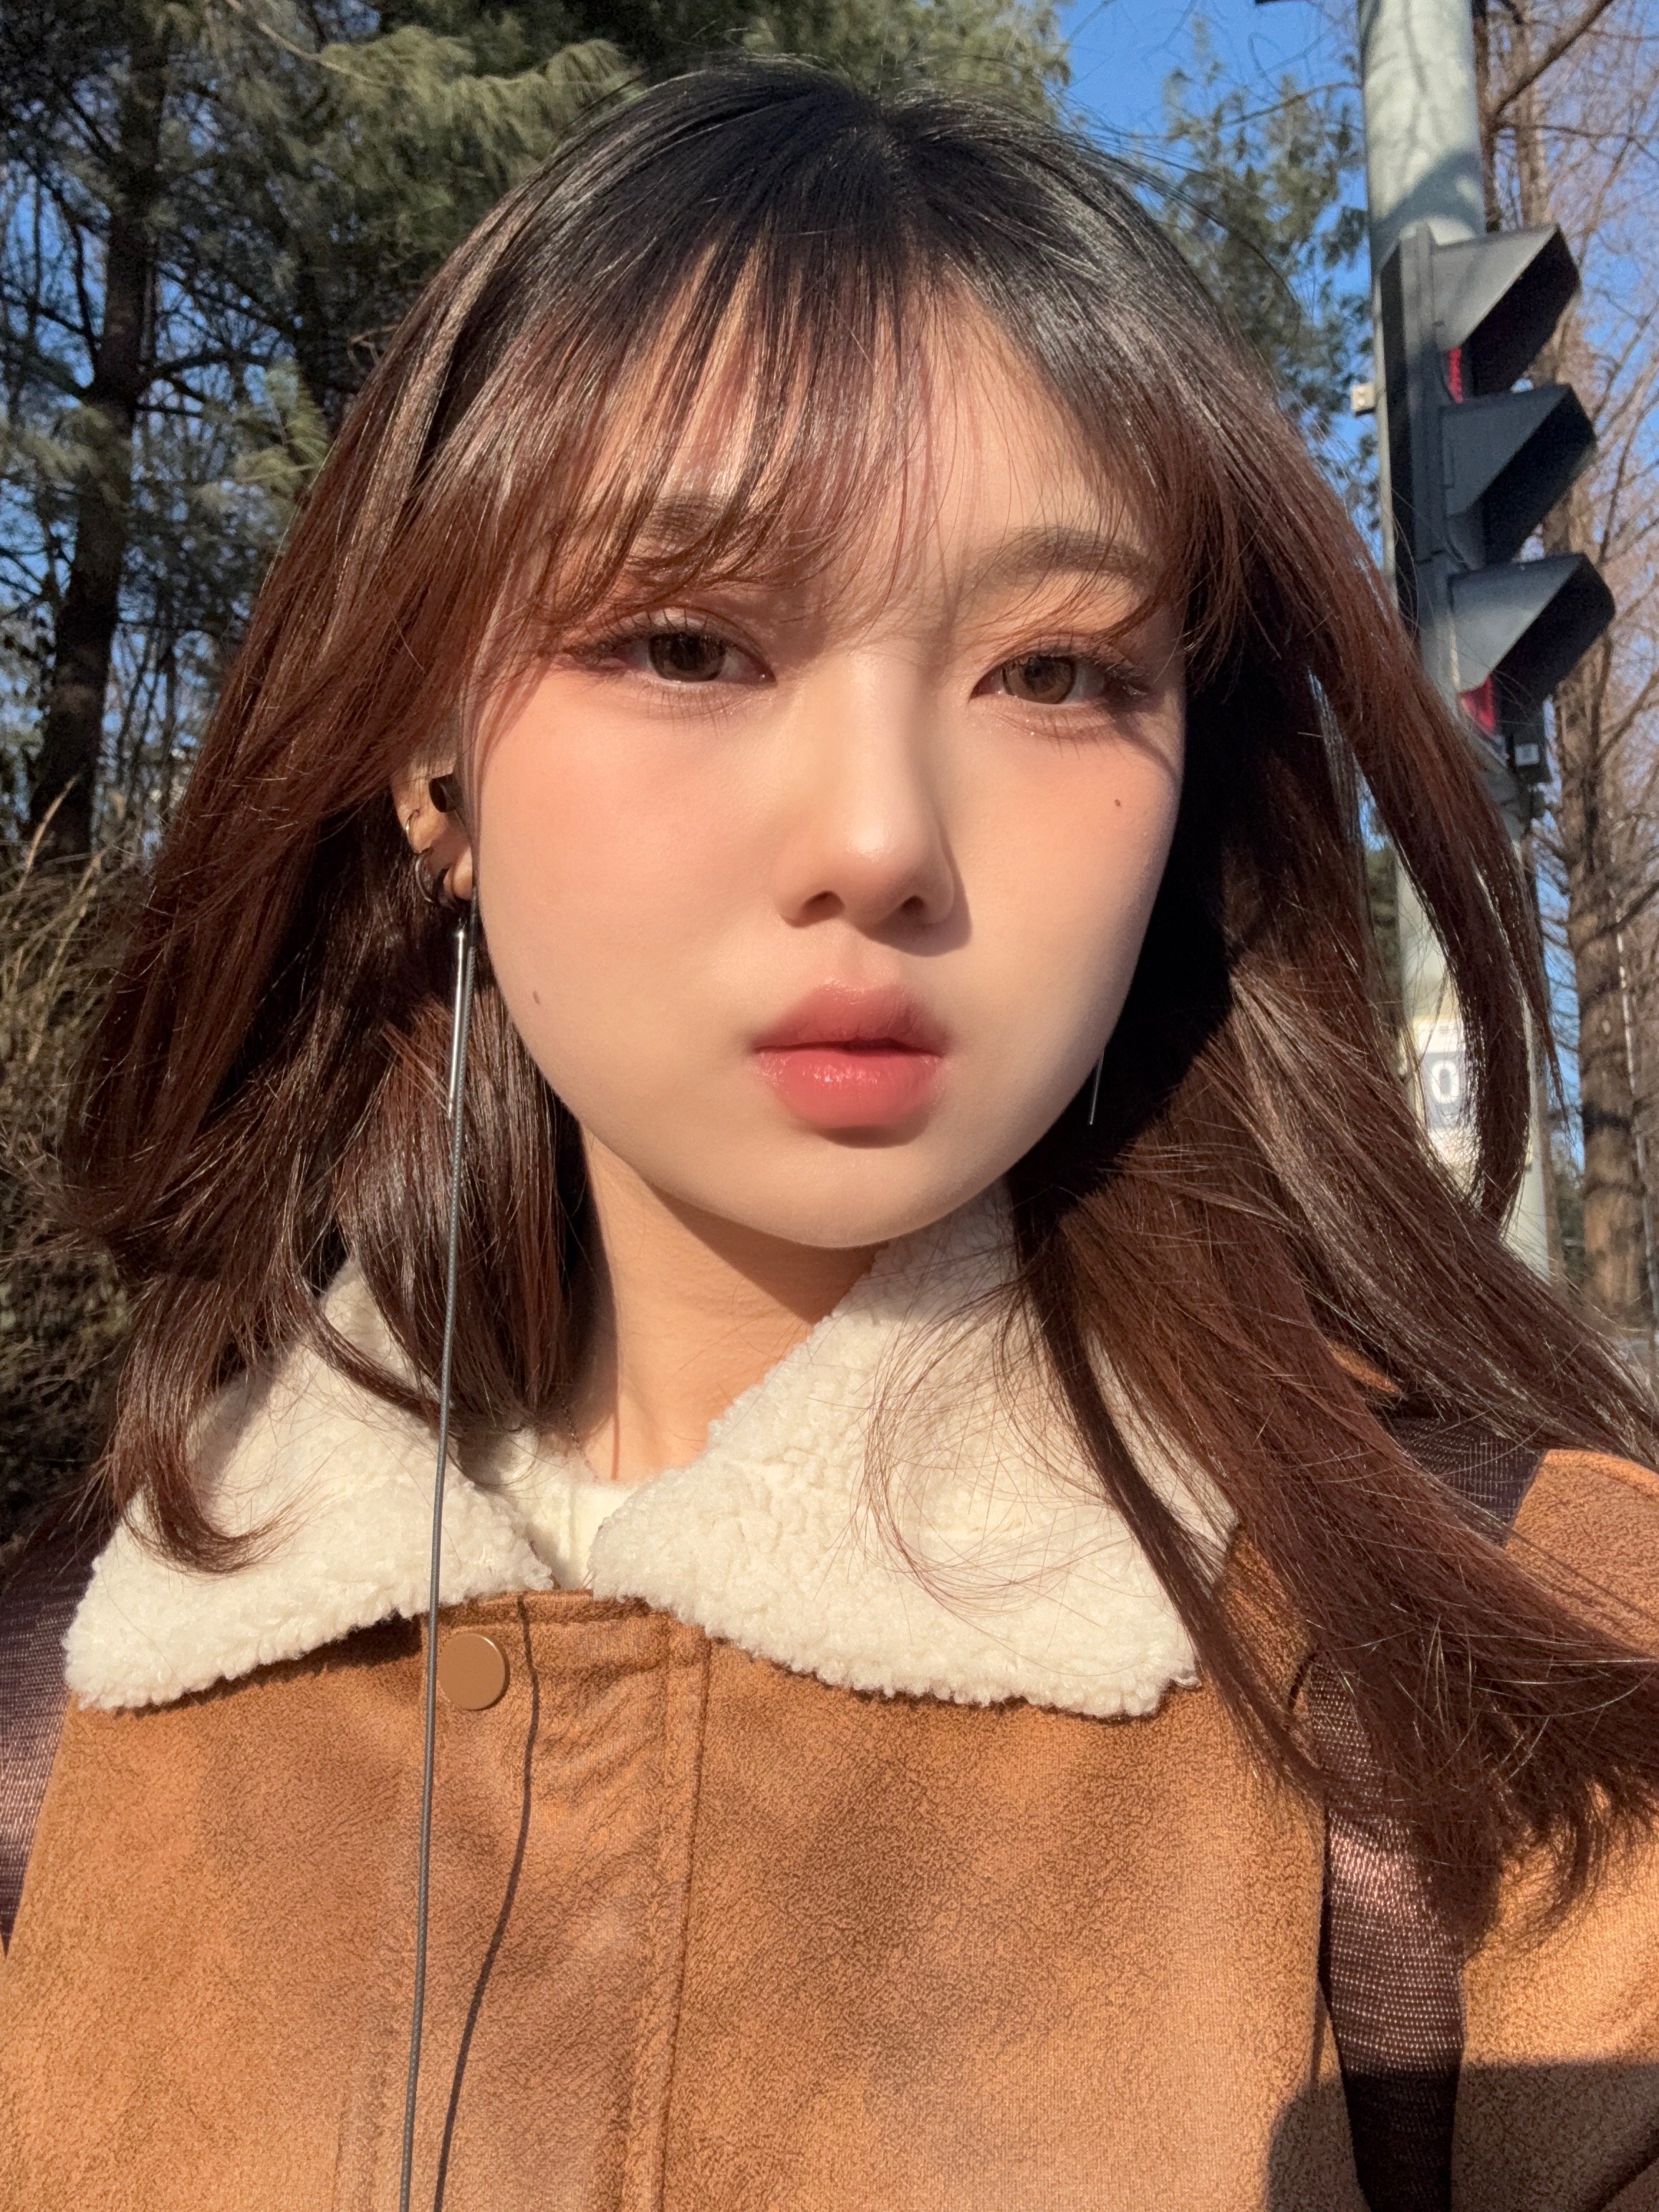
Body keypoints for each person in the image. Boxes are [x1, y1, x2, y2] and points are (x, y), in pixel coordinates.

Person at [1, 60, 1656, 2212]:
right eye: (688, 643)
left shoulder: (1529, 1694)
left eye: (1056, 673)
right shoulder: (69, 1731)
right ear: (430, 768)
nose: (880, 841)